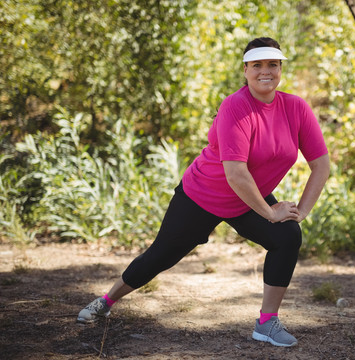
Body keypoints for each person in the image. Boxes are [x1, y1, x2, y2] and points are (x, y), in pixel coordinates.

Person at [77, 37, 330, 348]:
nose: (266, 71)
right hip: (202, 195)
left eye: (273, 65)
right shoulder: (235, 106)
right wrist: (270, 213)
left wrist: (300, 212)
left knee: (288, 235)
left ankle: (267, 323)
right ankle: (106, 301)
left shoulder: (296, 108)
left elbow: (320, 164)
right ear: (246, 69)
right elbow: (235, 173)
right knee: (159, 257)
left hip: (249, 197)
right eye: (258, 65)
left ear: (280, 68)